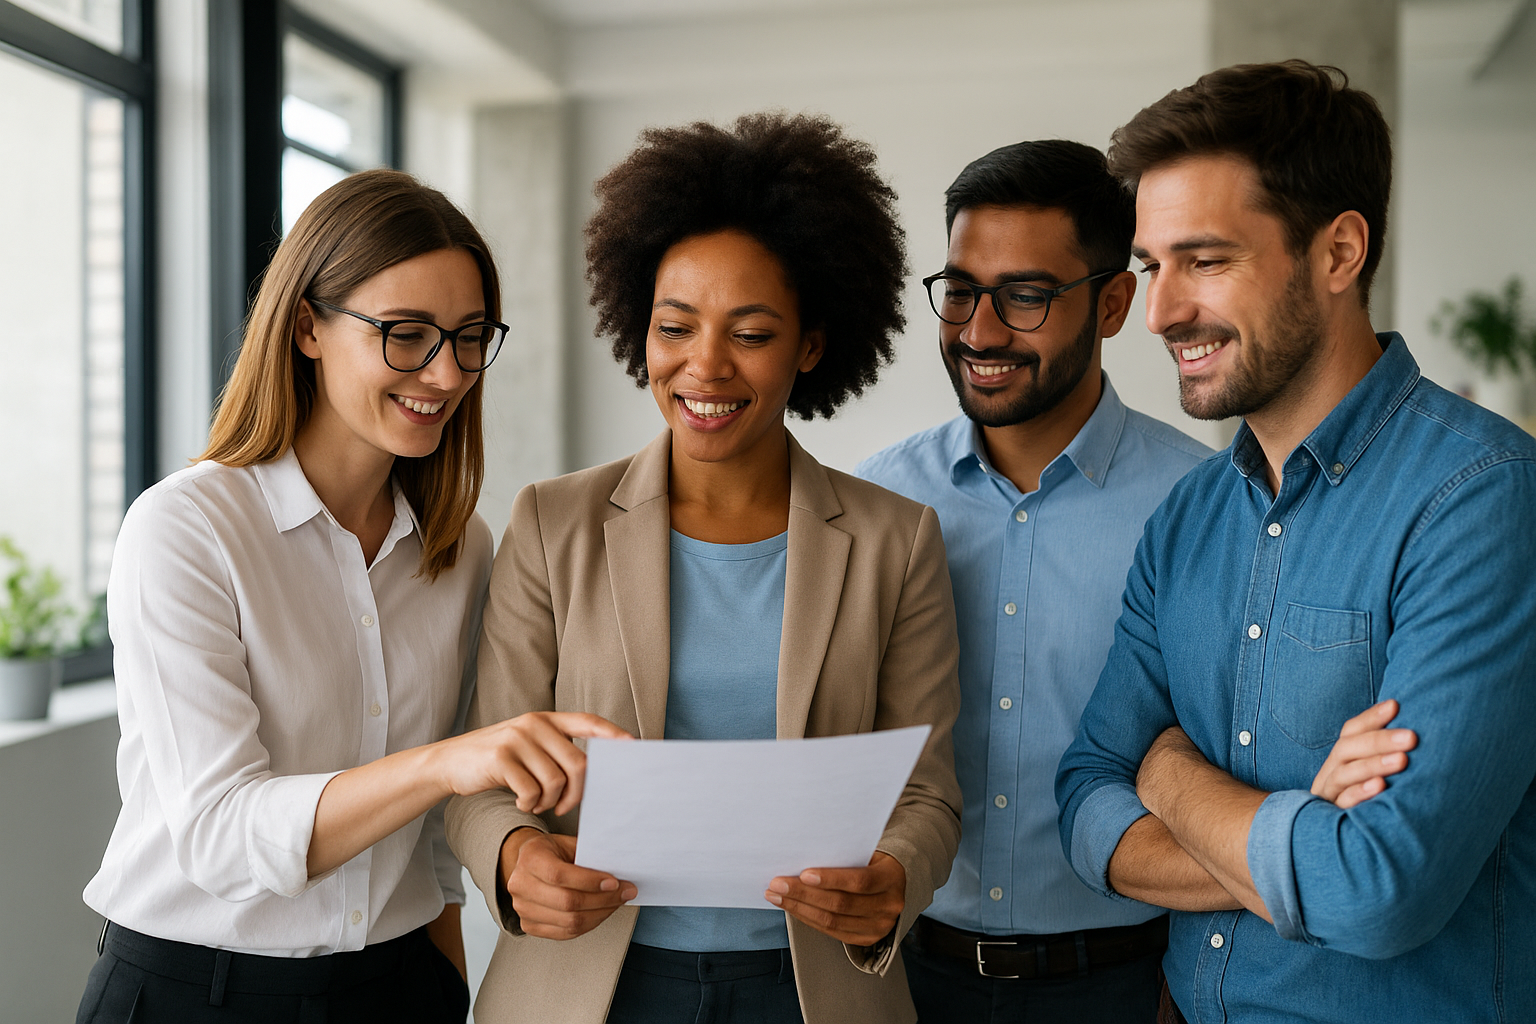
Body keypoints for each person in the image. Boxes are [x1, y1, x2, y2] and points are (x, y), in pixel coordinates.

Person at [445, 112, 963, 1024]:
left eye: (752, 334)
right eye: (674, 327)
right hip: (589, 985)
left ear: (810, 346)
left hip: (810, 989)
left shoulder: (897, 540)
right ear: (637, 330)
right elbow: (485, 772)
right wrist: (517, 859)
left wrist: (894, 875)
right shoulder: (551, 524)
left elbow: (926, 788)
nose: (705, 366)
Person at [78, 169, 627, 1024]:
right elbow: (223, 835)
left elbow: (433, 842)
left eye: (469, 336)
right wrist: (448, 762)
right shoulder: (187, 528)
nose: (445, 374)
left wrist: (447, 987)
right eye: (405, 334)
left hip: (399, 985)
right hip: (198, 992)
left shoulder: (460, 544)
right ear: (307, 327)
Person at [1056, 60, 1536, 1023]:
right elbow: (1082, 807)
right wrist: (1293, 838)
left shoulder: (1483, 500)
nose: (1158, 313)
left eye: (1206, 259)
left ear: (1339, 252)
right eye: (1154, 265)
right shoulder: (1186, 521)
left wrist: (1169, 772)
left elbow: (1378, 890)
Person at [854, 139, 1209, 1023]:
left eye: (1025, 296)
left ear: (1115, 301)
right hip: (904, 978)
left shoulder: (1203, 506)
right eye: (962, 291)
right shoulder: (874, 502)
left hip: (1129, 986)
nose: (978, 331)